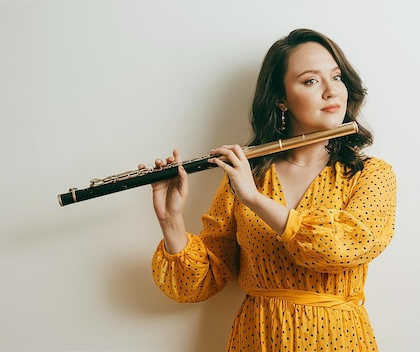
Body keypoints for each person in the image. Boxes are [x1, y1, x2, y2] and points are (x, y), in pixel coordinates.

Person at [144, 28, 397, 351]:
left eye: (336, 77)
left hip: (337, 339)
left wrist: (253, 199)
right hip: (258, 337)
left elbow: (345, 247)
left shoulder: (370, 174)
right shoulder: (245, 174)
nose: (332, 92)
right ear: (281, 98)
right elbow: (199, 284)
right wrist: (171, 220)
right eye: (310, 81)